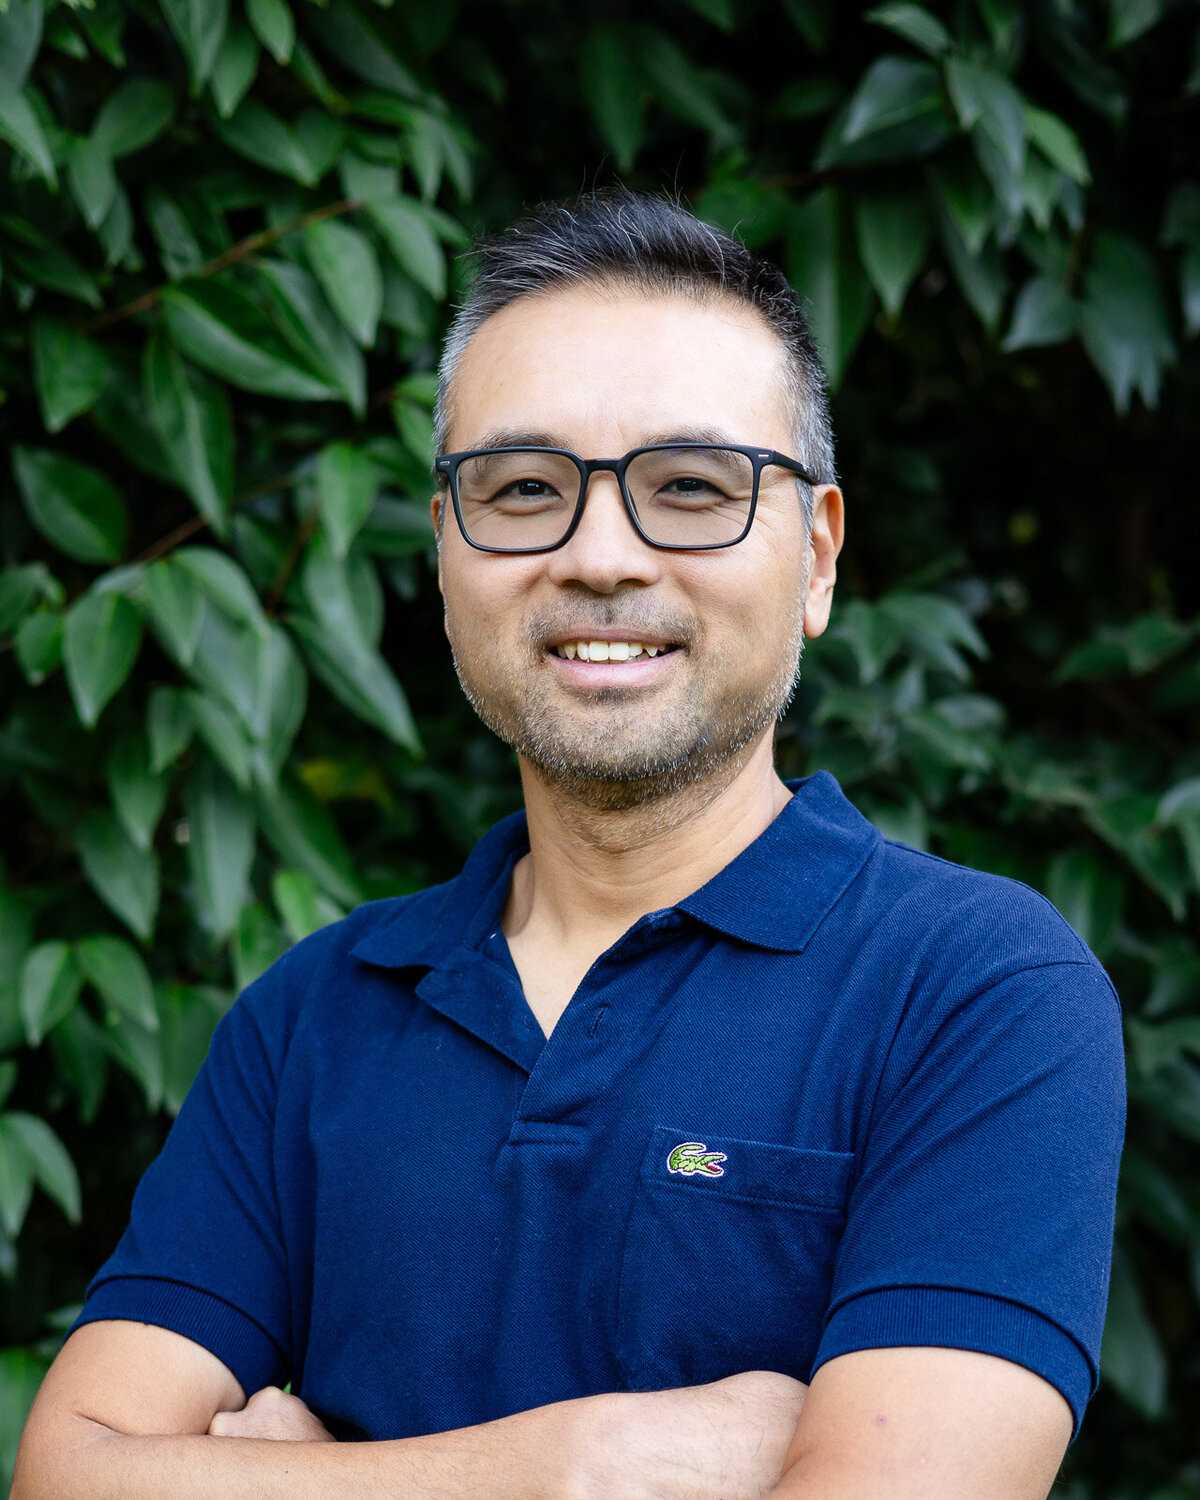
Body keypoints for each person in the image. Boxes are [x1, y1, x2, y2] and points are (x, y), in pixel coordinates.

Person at [14, 190, 1124, 1500]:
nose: (601, 555)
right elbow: (65, 1478)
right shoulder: (311, 1018)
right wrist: (570, 1465)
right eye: (526, 489)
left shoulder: (978, 991)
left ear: (818, 558)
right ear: (443, 554)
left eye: (694, 489)